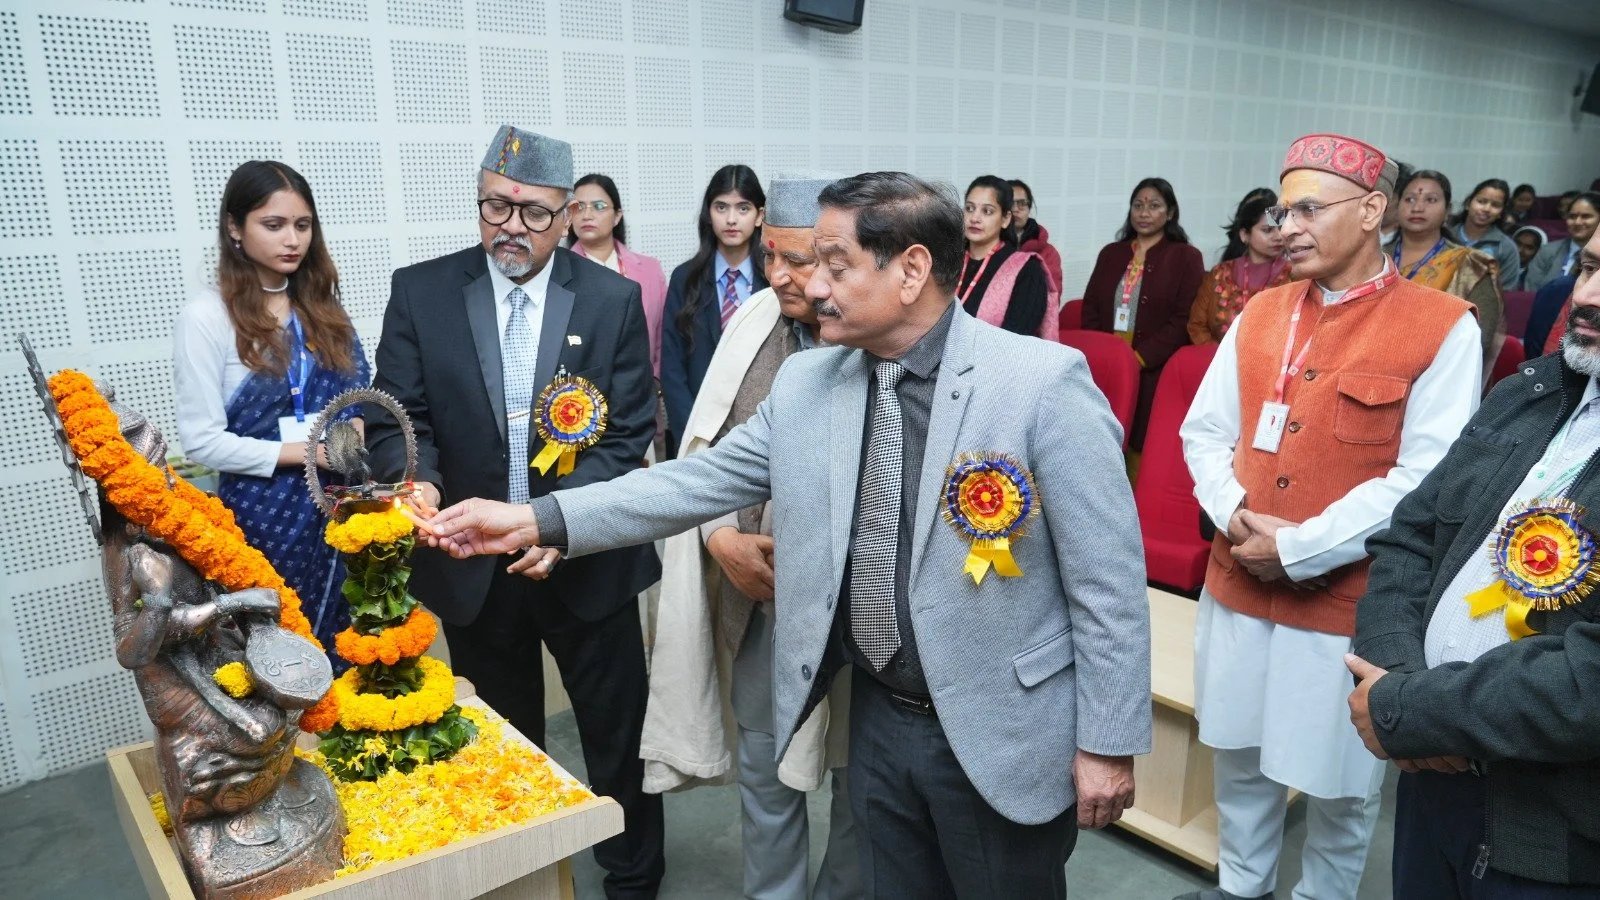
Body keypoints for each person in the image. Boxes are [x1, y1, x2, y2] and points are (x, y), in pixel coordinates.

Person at [422, 172, 1153, 899]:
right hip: (879, 720)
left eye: (835, 264)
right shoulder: (808, 383)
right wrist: (535, 518)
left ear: (911, 271)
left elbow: (1109, 585)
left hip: (1000, 726)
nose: (810, 285)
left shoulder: (1040, 385)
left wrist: (1108, 743)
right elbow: (689, 484)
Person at [1178, 133, 1482, 900]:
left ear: (1373, 211)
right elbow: (1204, 432)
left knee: (1341, 792)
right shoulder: (1261, 311)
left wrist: (1302, 548)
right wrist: (1235, 516)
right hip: (1238, 585)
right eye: (1284, 212)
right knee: (1239, 763)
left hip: (1347, 606)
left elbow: (1427, 478)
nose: (1288, 227)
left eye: (1309, 209)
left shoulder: (1444, 324)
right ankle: (1240, 889)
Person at [366, 125, 663, 897]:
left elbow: (629, 430)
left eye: (533, 213)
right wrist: (418, 482)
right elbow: (398, 418)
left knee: (618, 738)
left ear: (568, 216)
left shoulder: (611, 299)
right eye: (495, 206)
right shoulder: (422, 291)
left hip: (587, 563)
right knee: (503, 742)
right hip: (474, 564)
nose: (511, 227)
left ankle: (633, 878)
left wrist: (561, 522)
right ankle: (526, 879)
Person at [1348, 226, 1600, 896]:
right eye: (1589, 268)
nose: (1588, 296)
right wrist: (1404, 689)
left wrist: (1417, 711)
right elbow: (1409, 539)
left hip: (1549, 832)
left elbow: (1589, 681)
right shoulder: (1528, 394)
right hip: (1430, 781)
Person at [641, 177, 860, 899]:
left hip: (860, 611)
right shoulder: (756, 321)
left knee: (861, 783)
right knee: (766, 776)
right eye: (772, 256)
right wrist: (717, 539)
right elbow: (709, 450)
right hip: (761, 600)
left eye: (799, 260)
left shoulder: (876, 334)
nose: (779, 276)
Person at [173, 160, 368, 665]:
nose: (292, 240)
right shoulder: (208, 316)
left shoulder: (322, 308)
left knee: (352, 642)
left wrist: (353, 434)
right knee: (278, 655)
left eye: (303, 225)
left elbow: (357, 396)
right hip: (262, 515)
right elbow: (201, 441)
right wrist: (309, 453)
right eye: (274, 225)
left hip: (341, 503)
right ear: (235, 228)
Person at [1082, 177, 1205, 448]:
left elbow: (1184, 318)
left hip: (1154, 369)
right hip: (1105, 367)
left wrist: (1139, 358)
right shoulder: (1111, 253)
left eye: (1154, 206)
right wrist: (1103, 354)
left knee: (1141, 442)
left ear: (1170, 213)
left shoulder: (1186, 257)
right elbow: (1090, 307)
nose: (1144, 213)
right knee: (1096, 438)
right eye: (1138, 205)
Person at [660, 164, 768, 449]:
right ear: (709, 213)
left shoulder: (774, 281)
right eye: (721, 207)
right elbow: (672, 370)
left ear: (760, 215)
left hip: (762, 430)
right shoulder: (685, 278)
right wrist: (693, 439)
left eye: (743, 208)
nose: (731, 219)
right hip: (698, 430)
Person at [567, 173, 670, 456]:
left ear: (617, 216)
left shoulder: (649, 269)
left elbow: (662, 335)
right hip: (576, 412)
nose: (587, 214)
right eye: (578, 207)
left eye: (599, 206)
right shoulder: (557, 275)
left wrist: (654, 384)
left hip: (639, 400)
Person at [1386, 170, 1506, 380]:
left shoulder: (1471, 266)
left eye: (1431, 200)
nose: (1417, 207)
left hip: (1438, 378)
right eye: (1410, 199)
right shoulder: (1375, 259)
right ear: (1397, 206)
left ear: (1448, 210)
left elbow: (1479, 340)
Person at [1187, 191, 1292, 345]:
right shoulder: (1219, 274)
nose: (1278, 236)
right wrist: (1222, 357)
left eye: (1281, 228)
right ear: (1244, 235)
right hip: (1215, 357)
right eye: (1267, 230)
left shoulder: (1296, 276)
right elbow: (1197, 326)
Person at [957, 174, 1054, 339]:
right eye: (969, 208)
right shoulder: (948, 260)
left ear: (1006, 219)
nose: (974, 218)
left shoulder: (1027, 269)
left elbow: (1017, 340)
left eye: (987, 211)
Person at [1450, 178, 1523, 289]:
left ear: (1501, 213)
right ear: (1468, 204)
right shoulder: (1443, 236)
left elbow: (1507, 291)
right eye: (1481, 201)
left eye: (1495, 205)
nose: (1487, 209)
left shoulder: (1506, 248)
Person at [1526, 192, 1600, 293]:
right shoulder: (1547, 251)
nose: (1577, 222)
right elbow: (1530, 291)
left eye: (1586, 216)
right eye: (1572, 216)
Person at [1008, 178, 1064, 293]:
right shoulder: (987, 247)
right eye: (1009, 204)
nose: (1015, 209)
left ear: (1029, 208)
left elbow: (1052, 295)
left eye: (1022, 203)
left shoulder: (1049, 253)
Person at [1512, 225, 1546, 290]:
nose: (1519, 250)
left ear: (1538, 251)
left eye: (1529, 247)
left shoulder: (1538, 278)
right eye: (1518, 243)